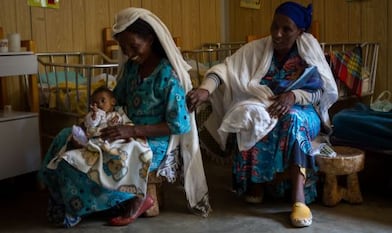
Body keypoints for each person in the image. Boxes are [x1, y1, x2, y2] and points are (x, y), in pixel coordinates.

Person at [38, 7, 211, 228]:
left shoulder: (168, 76)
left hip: (153, 141)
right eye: (123, 47)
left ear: (150, 39)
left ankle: (86, 204)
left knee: (104, 158)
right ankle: (71, 199)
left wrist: (133, 131)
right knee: (66, 137)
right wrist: (96, 118)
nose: (128, 53)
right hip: (125, 128)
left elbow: (178, 125)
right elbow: (116, 99)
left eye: (134, 46)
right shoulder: (131, 69)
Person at [186, 1, 338, 228]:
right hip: (263, 104)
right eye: (274, 26)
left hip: (304, 109)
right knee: (245, 114)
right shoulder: (257, 49)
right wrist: (205, 89)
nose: (277, 34)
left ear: (300, 32)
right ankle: (256, 183)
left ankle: (298, 198)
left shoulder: (308, 50)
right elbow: (225, 69)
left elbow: (321, 91)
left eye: (286, 29)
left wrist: (294, 96)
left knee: (292, 119)